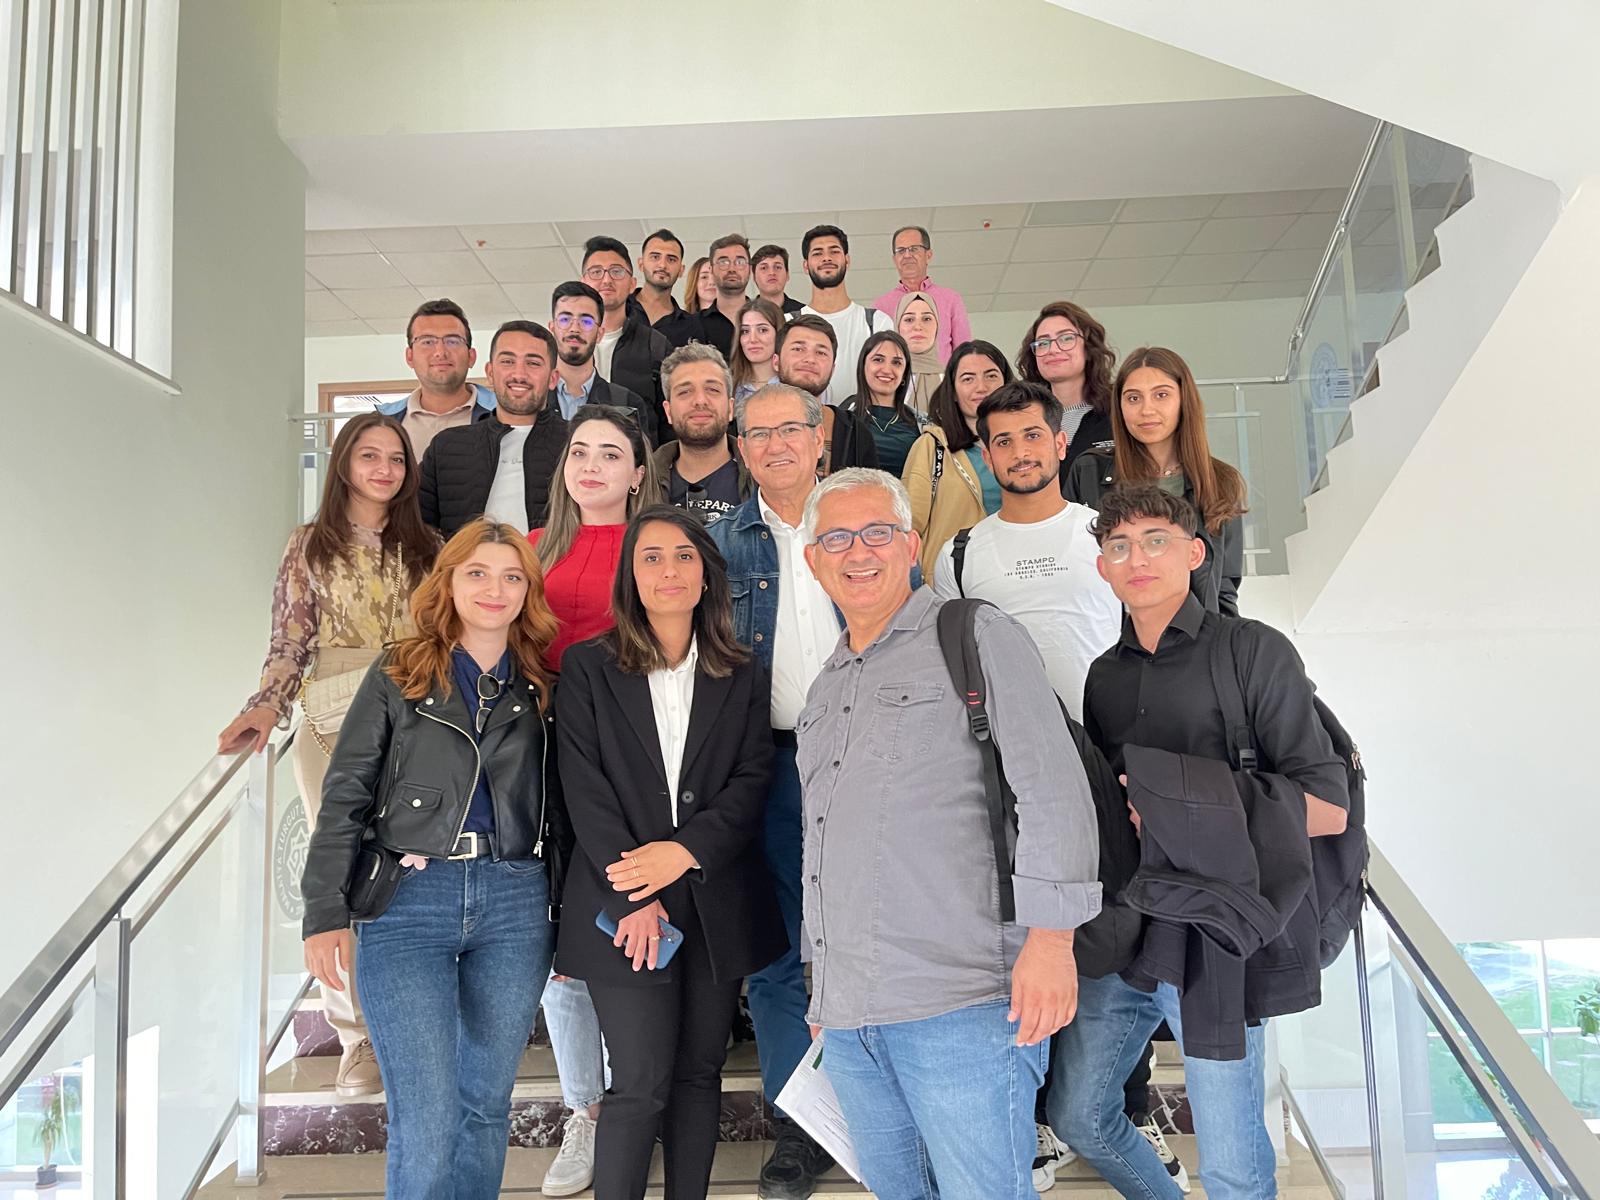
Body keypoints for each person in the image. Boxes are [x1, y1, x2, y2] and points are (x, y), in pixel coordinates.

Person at [797, 467, 1101, 1200]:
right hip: (850, 1018)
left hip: (964, 1004)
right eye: (837, 538)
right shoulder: (826, 685)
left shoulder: (973, 635)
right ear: (812, 560)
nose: (858, 551)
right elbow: (823, 844)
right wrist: (823, 995)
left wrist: (1052, 943)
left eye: (878, 532)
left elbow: (1053, 790)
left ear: (911, 546)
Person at [1050, 485, 1349, 1200]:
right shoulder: (1104, 676)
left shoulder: (1254, 651)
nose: (1137, 558)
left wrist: (1175, 803)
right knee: (1079, 1116)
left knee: (1232, 1166)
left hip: (1218, 935)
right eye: (1119, 546)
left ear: (1194, 553)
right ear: (1102, 567)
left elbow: (1326, 809)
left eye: (1156, 540)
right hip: (1129, 927)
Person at [927, 382, 1165, 1191]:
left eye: (1033, 435)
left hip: (1107, 761)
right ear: (985, 454)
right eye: (1003, 440)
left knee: (1116, 934)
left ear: (1060, 442)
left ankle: (1122, 1105)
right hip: (1008, 777)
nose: (1020, 451)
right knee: (1027, 932)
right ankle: (1036, 1117)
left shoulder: (1104, 536)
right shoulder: (961, 555)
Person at [300, 519, 561, 1200]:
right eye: (477, 572)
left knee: (485, 1105)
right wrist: (324, 910)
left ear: (528, 590)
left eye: (511, 576)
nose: (494, 589)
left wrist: (567, 907)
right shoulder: (399, 672)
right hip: (410, 903)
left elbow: (563, 808)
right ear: (447, 582)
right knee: (426, 1113)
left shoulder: (542, 683)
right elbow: (345, 793)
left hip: (515, 901)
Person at [555, 505, 787, 1200]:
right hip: (620, 903)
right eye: (651, 557)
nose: (669, 570)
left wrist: (683, 854)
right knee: (639, 1082)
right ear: (630, 575)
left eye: (685, 555)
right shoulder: (588, 667)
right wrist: (636, 892)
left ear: (708, 574)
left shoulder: (741, 672)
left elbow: (751, 779)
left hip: (713, 899)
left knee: (697, 1076)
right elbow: (583, 790)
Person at [219, 412, 437, 1100]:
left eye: (395, 458)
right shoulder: (309, 545)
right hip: (332, 712)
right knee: (339, 868)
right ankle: (356, 1035)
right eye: (369, 455)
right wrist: (266, 705)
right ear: (343, 463)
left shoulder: (429, 546)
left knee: (417, 864)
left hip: (417, 707)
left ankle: (420, 1014)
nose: (384, 469)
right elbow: (289, 640)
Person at [707, 382, 840, 1199]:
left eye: (791, 428)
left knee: (879, 942)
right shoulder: (718, 546)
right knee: (778, 958)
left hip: (868, 763)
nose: (776, 444)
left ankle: (885, 1109)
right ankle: (801, 1128)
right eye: (758, 433)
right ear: (741, 448)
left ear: (820, 437)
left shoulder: (865, 523)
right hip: (767, 766)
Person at [1067, 346, 1247, 616]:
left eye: (1161, 395)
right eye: (1133, 398)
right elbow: (1072, 570)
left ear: (1184, 400)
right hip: (1111, 634)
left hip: (1195, 634)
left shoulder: (1221, 481)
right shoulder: (1088, 471)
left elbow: (1224, 588)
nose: (1146, 409)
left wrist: (1221, 639)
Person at [532, 405, 662, 670]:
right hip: (535, 690)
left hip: (622, 689)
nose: (590, 467)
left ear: (637, 475)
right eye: (579, 453)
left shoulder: (656, 552)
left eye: (610, 455)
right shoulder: (533, 545)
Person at [419, 320, 569, 538]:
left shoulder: (576, 445)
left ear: (553, 378)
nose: (519, 374)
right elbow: (417, 528)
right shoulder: (446, 447)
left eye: (533, 363)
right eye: (508, 361)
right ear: (490, 372)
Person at [901, 339, 1011, 578]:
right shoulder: (931, 446)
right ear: (953, 391)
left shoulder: (1024, 448)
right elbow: (908, 526)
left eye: (991, 376)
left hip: (1014, 574)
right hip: (951, 582)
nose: (981, 387)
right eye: (968, 378)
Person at [376, 298, 497, 459]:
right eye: (427, 341)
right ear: (409, 357)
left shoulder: (503, 415)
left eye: (453, 341)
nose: (440, 352)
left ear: (471, 357)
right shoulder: (383, 423)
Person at [1017, 301, 1117, 478]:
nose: (1053, 349)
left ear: (1088, 347)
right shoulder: (1022, 417)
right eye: (1043, 343)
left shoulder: (1118, 410)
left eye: (1066, 338)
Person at [581, 236, 672, 431]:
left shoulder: (655, 345)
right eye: (596, 272)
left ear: (632, 284)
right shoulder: (562, 346)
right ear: (584, 283)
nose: (607, 280)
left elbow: (670, 421)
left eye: (616, 271)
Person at [550, 281, 660, 444]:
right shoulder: (531, 396)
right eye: (565, 319)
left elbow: (638, 458)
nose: (574, 329)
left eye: (586, 321)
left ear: (600, 334)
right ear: (552, 328)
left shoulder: (627, 404)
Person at [654, 343, 751, 520]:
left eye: (712, 390)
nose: (700, 401)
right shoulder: (642, 484)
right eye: (685, 392)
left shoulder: (761, 476)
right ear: (668, 411)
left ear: (731, 408)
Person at [797, 224, 891, 403]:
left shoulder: (877, 323)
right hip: (805, 419)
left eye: (834, 251)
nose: (826, 258)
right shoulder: (788, 323)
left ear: (847, 260)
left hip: (862, 420)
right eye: (817, 253)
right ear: (805, 266)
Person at [775, 315, 876, 475]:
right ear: (776, 361)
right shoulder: (748, 421)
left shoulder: (855, 431)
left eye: (821, 353)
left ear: (832, 369)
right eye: (798, 349)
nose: (810, 359)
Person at [873, 226, 973, 363]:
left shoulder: (950, 299)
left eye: (914, 249)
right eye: (901, 250)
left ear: (928, 255)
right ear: (895, 259)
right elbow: (877, 355)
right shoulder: (881, 306)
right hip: (899, 376)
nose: (907, 255)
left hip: (943, 376)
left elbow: (964, 354)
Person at [836, 330, 922, 477]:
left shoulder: (922, 426)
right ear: (863, 366)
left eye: (896, 362)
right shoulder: (841, 419)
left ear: (904, 373)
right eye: (878, 360)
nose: (887, 370)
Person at [630, 229, 705, 349]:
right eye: (655, 257)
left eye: (671, 259)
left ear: (681, 270)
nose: (662, 265)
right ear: (641, 264)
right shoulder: (619, 310)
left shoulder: (691, 327)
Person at [699, 233, 752, 358]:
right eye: (723, 262)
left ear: (750, 268)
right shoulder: (695, 325)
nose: (732, 268)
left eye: (740, 261)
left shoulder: (768, 321)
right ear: (711, 269)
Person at [894, 290, 945, 414]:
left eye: (926, 319)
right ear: (897, 326)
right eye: (909, 319)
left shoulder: (952, 379)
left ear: (937, 326)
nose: (918, 327)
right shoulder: (885, 377)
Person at [730, 296, 783, 403]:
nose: (753, 339)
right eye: (745, 331)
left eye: (762, 330)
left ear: (779, 333)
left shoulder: (796, 385)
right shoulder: (728, 387)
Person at [752, 243, 804, 315]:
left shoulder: (803, 313)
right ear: (754, 277)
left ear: (787, 274)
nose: (772, 273)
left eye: (778, 267)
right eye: (764, 268)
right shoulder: (746, 314)